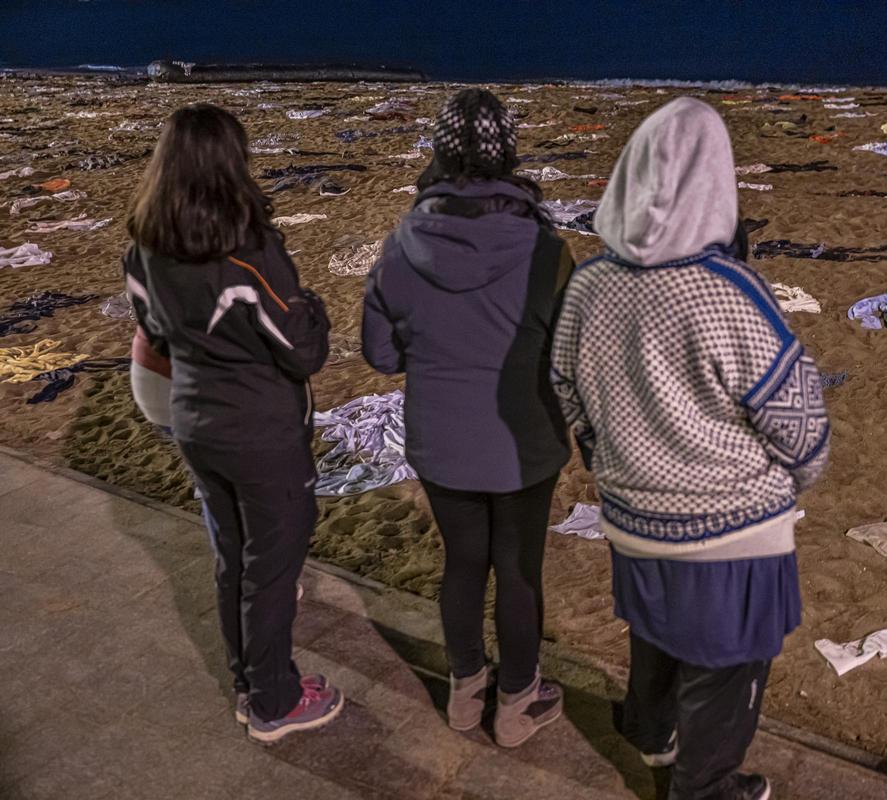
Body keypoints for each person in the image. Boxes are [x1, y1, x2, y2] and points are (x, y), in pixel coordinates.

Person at [550, 97, 831, 800]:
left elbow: (564, 389)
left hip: (631, 514)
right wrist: (794, 477)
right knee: (729, 667)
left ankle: (649, 733)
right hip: (732, 531)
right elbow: (799, 424)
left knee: (656, 629)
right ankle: (704, 789)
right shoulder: (727, 292)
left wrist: (613, 458)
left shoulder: (590, 285)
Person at [361, 88, 574, 747]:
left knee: (461, 563)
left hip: (442, 443)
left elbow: (379, 353)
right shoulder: (547, 251)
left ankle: (464, 694)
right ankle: (517, 704)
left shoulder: (403, 245)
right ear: (509, 154)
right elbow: (570, 355)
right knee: (517, 570)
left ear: (440, 152)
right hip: (524, 445)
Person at [122, 102, 339, 743]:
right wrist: (315, 310)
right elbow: (302, 349)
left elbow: (154, 329)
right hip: (261, 430)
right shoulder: (247, 251)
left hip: (194, 420)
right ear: (231, 164)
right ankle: (274, 700)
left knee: (233, 558)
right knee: (272, 565)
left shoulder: (144, 246)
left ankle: (250, 682)